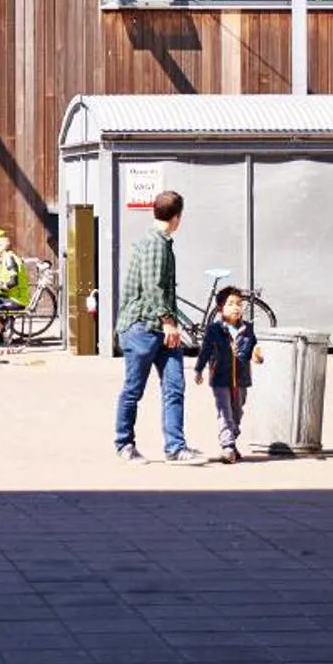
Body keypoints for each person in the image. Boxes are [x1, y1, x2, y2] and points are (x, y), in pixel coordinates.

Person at [113, 189, 201, 464]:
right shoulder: (155, 244)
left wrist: (168, 325)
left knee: (174, 386)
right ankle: (124, 443)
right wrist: (168, 322)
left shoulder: (160, 241)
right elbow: (153, 287)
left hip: (162, 329)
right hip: (143, 327)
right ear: (178, 217)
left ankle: (175, 446)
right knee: (133, 388)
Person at [194, 285, 262, 463]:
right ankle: (228, 447)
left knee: (237, 413)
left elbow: (254, 346)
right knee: (225, 413)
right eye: (230, 304)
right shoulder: (214, 329)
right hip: (220, 378)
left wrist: (256, 354)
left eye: (239, 304)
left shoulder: (248, 328)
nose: (236, 307)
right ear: (220, 309)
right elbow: (206, 350)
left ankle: (232, 440)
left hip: (241, 378)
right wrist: (199, 369)